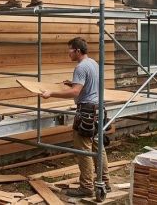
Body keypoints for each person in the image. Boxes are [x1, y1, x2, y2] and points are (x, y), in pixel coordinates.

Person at [41, 37, 110, 198]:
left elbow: (75, 93)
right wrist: (73, 82)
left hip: (86, 111)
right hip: (98, 109)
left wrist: (51, 93)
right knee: (98, 148)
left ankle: (86, 187)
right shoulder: (93, 63)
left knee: (84, 150)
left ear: (78, 51)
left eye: (70, 50)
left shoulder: (80, 67)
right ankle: (105, 182)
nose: (68, 53)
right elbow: (88, 84)